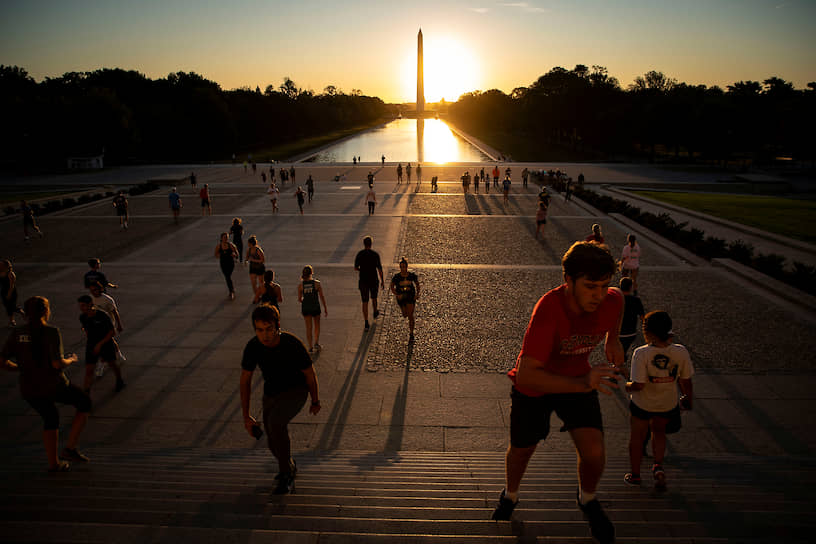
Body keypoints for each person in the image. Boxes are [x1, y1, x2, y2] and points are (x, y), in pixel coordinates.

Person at [492, 241, 624, 544]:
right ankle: (510, 494)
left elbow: (619, 303)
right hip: (536, 385)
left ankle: (587, 498)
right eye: (590, 286)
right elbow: (527, 373)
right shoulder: (549, 309)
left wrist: (612, 340)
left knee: (595, 452)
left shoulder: (611, 300)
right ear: (568, 281)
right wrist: (584, 383)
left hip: (579, 378)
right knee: (523, 449)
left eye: (604, 286)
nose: (599, 295)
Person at [1, 296, 92, 471]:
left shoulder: (17, 333)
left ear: (26, 313)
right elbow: (57, 363)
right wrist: (71, 360)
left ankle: (54, 463)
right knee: (84, 403)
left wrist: (21, 368)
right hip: (54, 385)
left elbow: (2, 362)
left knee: (50, 417)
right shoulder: (51, 332)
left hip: (29, 388)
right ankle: (70, 448)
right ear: (46, 311)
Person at [239, 304, 321, 494]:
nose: (265, 335)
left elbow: (310, 374)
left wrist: (315, 400)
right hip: (271, 393)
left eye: (269, 329)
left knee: (276, 424)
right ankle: (289, 464)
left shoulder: (292, 344)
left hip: (296, 391)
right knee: (271, 440)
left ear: (278, 326)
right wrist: (246, 416)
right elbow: (245, 381)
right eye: (259, 330)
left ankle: (286, 475)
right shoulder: (253, 347)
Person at [625, 311, 694, 491]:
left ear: (648, 332)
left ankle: (635, 475)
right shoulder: (681, 352)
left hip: (642, 403)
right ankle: (657, 466)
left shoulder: (641, 354)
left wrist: (627, 386)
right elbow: (686, 380)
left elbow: (639, 385)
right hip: (667, 403)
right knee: (659, 432)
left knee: (637, 438)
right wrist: (688, 398)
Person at [78, 295, 125, 394]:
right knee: (89, 370)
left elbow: (112, 332)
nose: (81, 308)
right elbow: (86, 330)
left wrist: (100, 344)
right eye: (80, 306)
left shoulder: (102, 316)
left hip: (106, 344)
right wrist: (91, 343)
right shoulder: (82, 317)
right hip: (92, 345)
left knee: (112, 364)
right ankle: (86, 394)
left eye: (83, 305)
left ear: (90, 304)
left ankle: (119, 380)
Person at [88, 281, 124, 378]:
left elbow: (115, 312)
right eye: (91, 290)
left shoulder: (107, 300)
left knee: (103, 346)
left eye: (95, 290)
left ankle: (101, 365)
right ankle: (118, 354)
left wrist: (119, 324)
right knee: (109, 342)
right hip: (95, 325)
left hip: (107, 325)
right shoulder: (90, 298)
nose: (93, 292)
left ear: (101, 289)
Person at [354, 236, 384, 331]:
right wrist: (382, 280)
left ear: (364, 243)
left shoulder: (360, 254)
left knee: (365, 301)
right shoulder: (375, 255)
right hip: (373, 279)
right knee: (374, 298)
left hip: (363, 280)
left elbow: (355, 267)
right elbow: (379, 269)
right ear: (371, 243)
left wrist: (361, 270)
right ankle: (375, 311)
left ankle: (366, 322)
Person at [298, 265, 328, 352]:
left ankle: (310, 347)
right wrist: (325, 308)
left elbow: (299, 299)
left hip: (306, 308)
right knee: (317, 326)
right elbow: (322, 296)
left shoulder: (301, 286)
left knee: (308, 328)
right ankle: (316, 343)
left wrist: (305, 299)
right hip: (315, 307)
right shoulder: (317, 283)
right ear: (312, 273)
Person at [390, 257, 420, 341]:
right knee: (405, 314)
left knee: (410, 315)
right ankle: (404, 310)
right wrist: (396, 294)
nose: (403, 269)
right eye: (401, 267)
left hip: (410, 297)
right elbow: (392, 286)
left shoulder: (412, 276)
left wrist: (417, 294)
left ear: (407, 267)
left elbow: (417, 285)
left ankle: (411, 333)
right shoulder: (397, 277)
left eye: (404, 267)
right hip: (401, 298)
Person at [618, 277, 645, 359]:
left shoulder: (616, 299)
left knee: (619, 350)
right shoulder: (636, 300)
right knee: (624, 349)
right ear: (630, 288)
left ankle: (619, 361)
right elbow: (642, 317)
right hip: (630, 332)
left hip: (617, 332)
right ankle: (621, 360)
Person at [215, 233, 239, 300]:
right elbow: (216, 254)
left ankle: (231, 291)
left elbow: (237, 253)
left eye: (227, 237)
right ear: (221, 238)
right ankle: (231, 291)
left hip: (230, 263)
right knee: (227, 276)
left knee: (228, 276)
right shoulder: (219, 246)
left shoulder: (230, 245)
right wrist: (221, 255)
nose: (226, 239)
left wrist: (235, 255)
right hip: (223, 263)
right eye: (224, 237)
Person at [1, 260, 23, 327]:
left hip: (11, 291)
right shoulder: (1, 273)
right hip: (3, 291)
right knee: (7, 307)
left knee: (12, 307)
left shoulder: (11, 274)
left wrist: (9, 294)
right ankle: (11, 321)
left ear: (6, 266)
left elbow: (11, 286)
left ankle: (22, 312)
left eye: (1, 265)